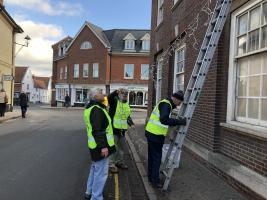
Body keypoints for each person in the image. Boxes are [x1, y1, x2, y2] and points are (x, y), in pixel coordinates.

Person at [145, 90, 187, 188]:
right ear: (175, 99)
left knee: (152, 157)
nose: (179, 105)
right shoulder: (166, 105)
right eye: (179, 103)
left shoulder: (164, 102)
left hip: (151, 133)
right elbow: (163, 120)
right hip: (155, 135)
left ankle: (151, 177)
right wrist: (179, 122)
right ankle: (155, 181)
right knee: (157, 159)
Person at [84, 88, 116, 200]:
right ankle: (96, 197)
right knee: (101, 174)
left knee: (95, 169)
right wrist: (103, 147)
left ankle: (89, 192)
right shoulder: (97, 110)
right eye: (100, 93)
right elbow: (97, 130)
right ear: (95, 96)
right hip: (99, 147)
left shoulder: (91, 108)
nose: (103, 94)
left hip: (94, 146)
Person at [108, 88, 134, 173]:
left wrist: (131, 123)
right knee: (113, 148)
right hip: (114, 129)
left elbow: (127, 116)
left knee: (122, 148)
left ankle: (119, 162)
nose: (124, 96)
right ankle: (111, 165)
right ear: (119, 95)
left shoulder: (126, 104)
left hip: (122, 131)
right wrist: (116, 92)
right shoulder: (114, 102)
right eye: (123, 94)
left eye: (126, 94)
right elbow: (109, 98)